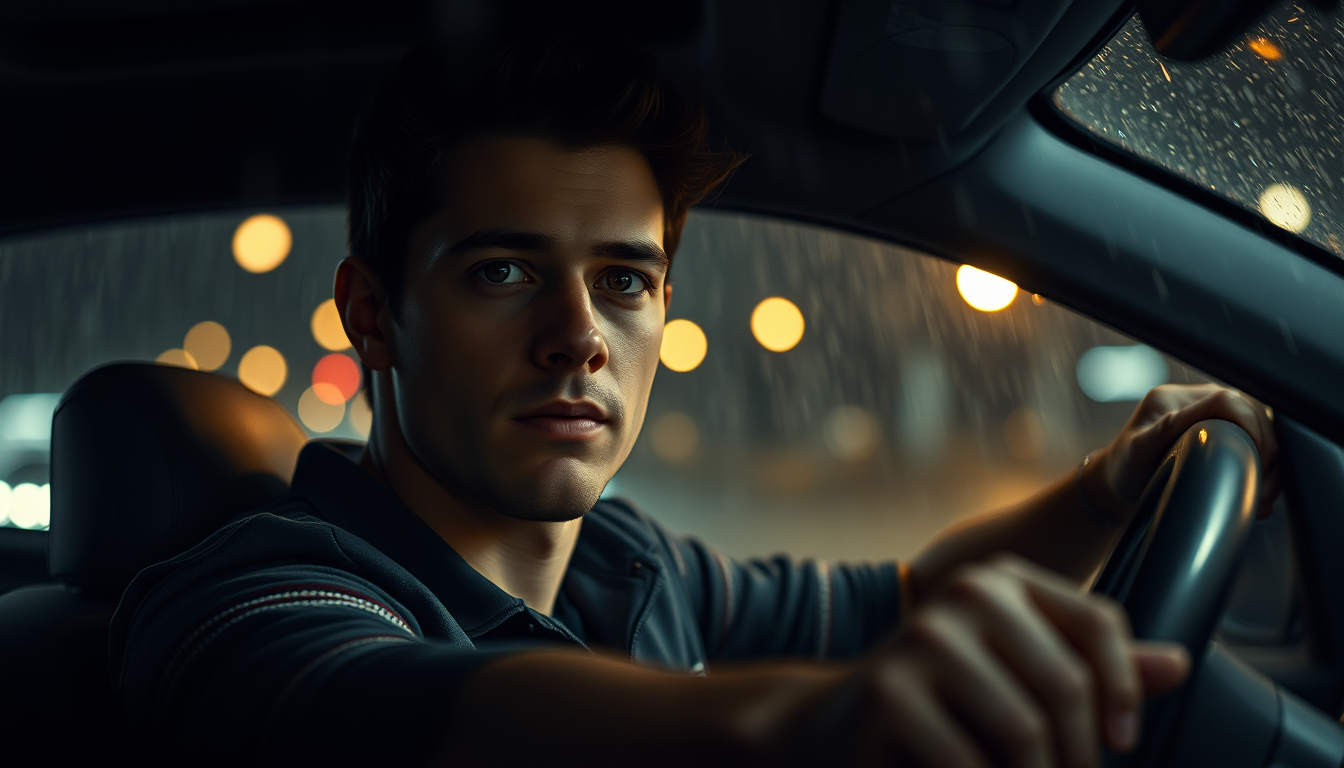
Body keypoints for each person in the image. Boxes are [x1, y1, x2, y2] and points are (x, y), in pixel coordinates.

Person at [110, 35, 1279, 767]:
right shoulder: (254, 588)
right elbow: (395, 714)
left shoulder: (627, 559)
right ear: (372, 314)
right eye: (503, 273)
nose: (577, 339)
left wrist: (1104, 485)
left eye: (622, 281)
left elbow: (904, 602)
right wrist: (813, 724)